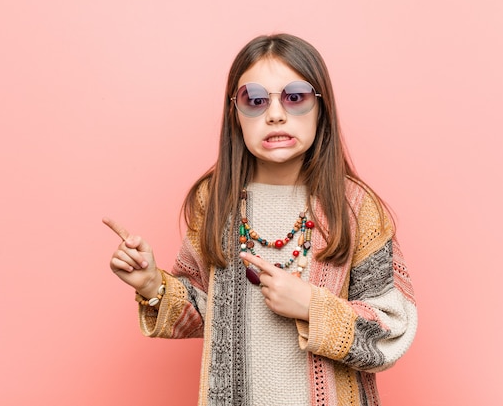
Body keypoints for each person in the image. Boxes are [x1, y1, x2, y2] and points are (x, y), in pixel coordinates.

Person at [103, 33, 417, 406]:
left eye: (295, 96)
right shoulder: (216, 201)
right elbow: (209, 312)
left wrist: (310, 306)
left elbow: (392, 328)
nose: (275, 114)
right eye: (254, 100)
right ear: (235, 114)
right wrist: (153, 284)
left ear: (322, 107)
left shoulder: (353, 206)